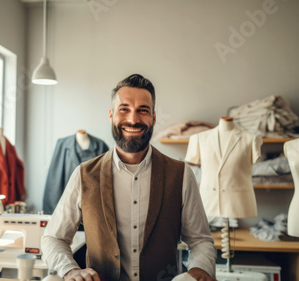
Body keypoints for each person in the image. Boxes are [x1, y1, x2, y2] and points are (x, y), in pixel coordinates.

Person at [41, 74, 217, 281]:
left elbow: (200, 241)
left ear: (153, 118)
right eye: (124, 109)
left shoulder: (181, 174)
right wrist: (70, 270)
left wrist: (200, 269)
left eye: (143, 110)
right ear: (111, 115)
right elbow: (54, 238)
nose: (133, 119)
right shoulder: (84, 174)